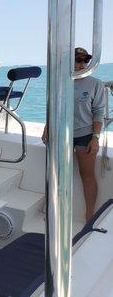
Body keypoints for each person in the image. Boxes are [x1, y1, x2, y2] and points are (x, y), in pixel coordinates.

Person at [42, 47, 105, 221]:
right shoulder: (59, 82)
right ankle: (55, 211)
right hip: (61, 133)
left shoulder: (95, 84)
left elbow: (99, 113)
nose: (82, 64)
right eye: (78, 60)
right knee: (58, 174)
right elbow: (53, 107)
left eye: (85, 60)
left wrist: (95, 138)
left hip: (85, 135)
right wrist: (48, 126)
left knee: (87, 175)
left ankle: (89, 216)